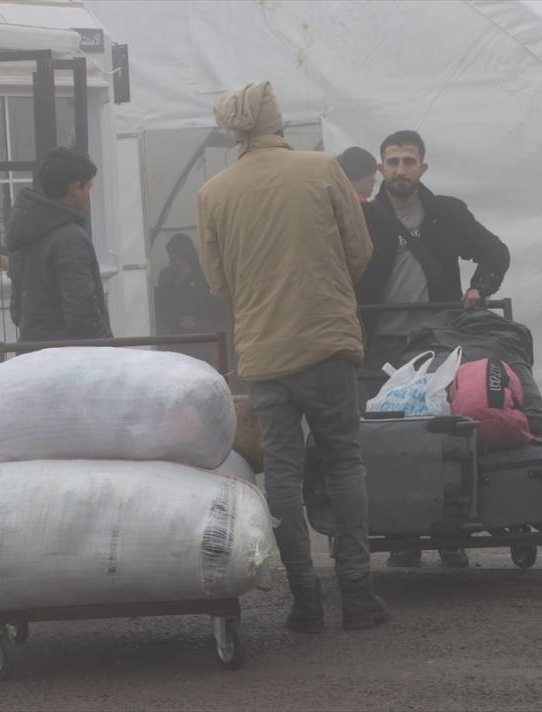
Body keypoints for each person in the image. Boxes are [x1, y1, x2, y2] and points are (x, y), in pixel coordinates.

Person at [196, 80, 385, 632]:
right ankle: (358, 596)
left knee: (281, 469)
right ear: (279, 123)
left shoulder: (213, 193)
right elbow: (360, 251)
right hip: (326, 343)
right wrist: (323, 289)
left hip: (263, 352)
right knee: (344, 460)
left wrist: (260, 302)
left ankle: (304, 601)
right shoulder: (323, 170)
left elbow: (218, 282)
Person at [356, 130, 511, 569]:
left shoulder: (447, 214)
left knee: (446, 438)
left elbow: (496, 254)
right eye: (392, 161)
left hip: (438, 342)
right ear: (380, 169)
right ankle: (402, 534)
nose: (400, 169)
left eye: (408, 161)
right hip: (381, 345)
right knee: (389, 441)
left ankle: (450, 532)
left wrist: (479, 290)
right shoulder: (362, 219)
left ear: (423, 167)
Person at [6, 147, 112, 343]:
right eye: (88, 186)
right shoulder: (71, 239)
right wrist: (109, 348)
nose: (89, 194)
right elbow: (82, 312)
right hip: (70, 360)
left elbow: (16, 310)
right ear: (74, 189)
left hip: (32, 354)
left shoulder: (24, 234)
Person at [155, 233, 221, 361]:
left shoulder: (202, 276)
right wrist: (179, 282)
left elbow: (210, 307)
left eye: (175, 259)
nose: (171, 263)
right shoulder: (166, 275)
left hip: (200, 334)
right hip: (173, 335)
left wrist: (197, 322)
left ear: (186, 258)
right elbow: (162, 307)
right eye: (170, 259)